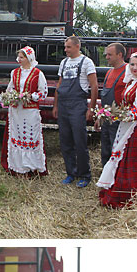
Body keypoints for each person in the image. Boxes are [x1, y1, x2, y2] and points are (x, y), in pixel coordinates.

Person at [97, 50, 137, 209]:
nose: (135, 67)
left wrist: (121, 116)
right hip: (127, 123)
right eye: (132, 64)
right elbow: (125, 105)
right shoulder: (131, 81)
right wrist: (113, 114)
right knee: (122, 159)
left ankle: (133, 196)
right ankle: (120, 192)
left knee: (132, 161)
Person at [53, 35, 98, 189]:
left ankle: (85, 175)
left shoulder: (86, 62)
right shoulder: (64, 63)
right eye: (65, 47)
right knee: (65, 141)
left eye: (68, 47)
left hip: (78, 105)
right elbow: (59, 85)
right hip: (64, 105)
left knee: (80, 141)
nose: (65, 50)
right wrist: (55, 106)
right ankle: (71, 173)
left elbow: (94, 86)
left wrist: (91, 109)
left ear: (77, 46)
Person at [0, 46, 48, 177]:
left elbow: (43, 92)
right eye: (19, 57)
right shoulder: (14, 72)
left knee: (29, 136)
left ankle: (31, 167)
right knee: (17, 135)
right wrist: (9, 97)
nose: (18, 59)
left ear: (29, 58)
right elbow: (10, 88)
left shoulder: (38, 73)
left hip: (30, 110)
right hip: (16, 110)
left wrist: (31, 96)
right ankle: (17, 166)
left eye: (21, 57)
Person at [96, 42, 128, 166]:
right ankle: (105, 175)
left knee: (116, 149)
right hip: (106, 117)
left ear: (120, 55)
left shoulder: (128, 72)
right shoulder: (109, 72)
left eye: (110, 54)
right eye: (106, 54)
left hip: (119, 118)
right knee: (105, 149)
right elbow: (104, 97)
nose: (107, 57)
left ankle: (116, 176)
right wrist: (100, 116)